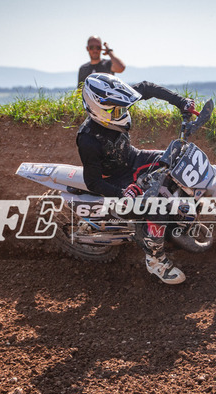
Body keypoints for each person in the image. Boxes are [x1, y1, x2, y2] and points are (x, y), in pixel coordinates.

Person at [77, 73, 195, 285]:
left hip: (134, 158)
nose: (124, 113)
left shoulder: (117, 99)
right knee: (155, 206)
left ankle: (177, 219)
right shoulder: (87, 139)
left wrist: (181, 102)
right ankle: (155, 260)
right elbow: (92, 181)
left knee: (177, 159)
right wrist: (122, 193)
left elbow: (146, 87)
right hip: (117, 179)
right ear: (99, 109)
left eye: (124, 108)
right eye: (118, 111)